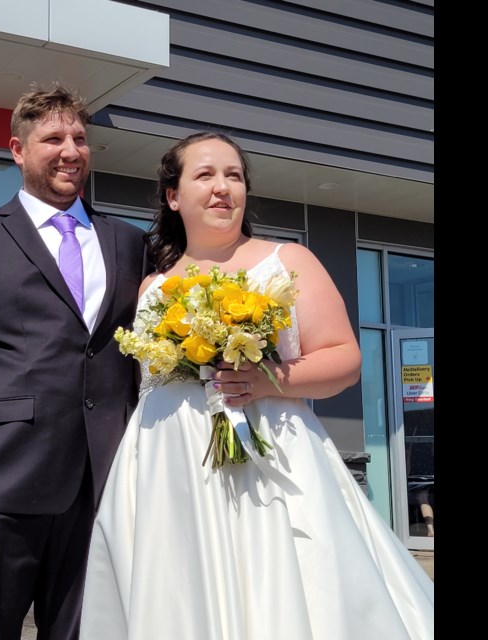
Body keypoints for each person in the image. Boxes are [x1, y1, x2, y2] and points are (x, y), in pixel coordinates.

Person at [80, 131, 434, 639]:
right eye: (205, 175)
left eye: (234, 175)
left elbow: (346, 359)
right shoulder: (152, 287)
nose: (223, 187)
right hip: (167, 467)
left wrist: (266, 378)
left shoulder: (286, 262)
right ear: (173, 196)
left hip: (269, 458)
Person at [0, 83, 148, 639]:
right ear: (18, 150)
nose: (70, 150)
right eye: (53, 138)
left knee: (82, 630)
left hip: (103, 479)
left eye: (79, 138)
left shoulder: (129, 244)